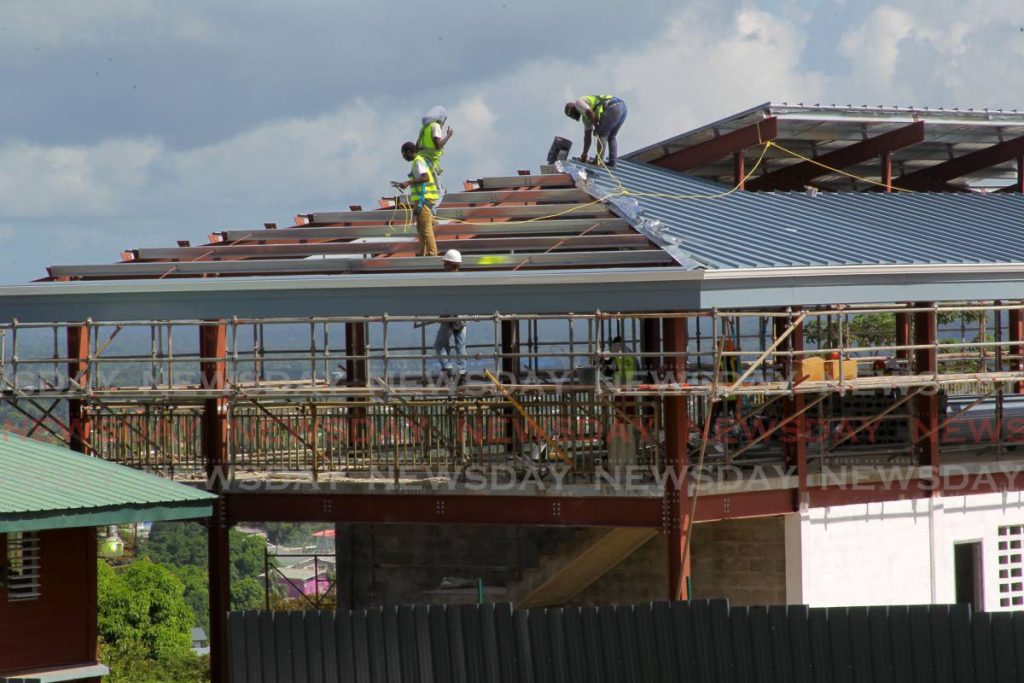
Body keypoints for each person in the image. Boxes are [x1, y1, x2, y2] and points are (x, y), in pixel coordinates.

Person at [391, 141, 439, 256]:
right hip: (422, 199)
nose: (403, 157)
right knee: (420, 227)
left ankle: (432, 253)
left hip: (424, 199)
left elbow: (425, 177)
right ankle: (421, 251)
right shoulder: (416, 162)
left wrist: (408, 182)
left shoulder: (418, 162)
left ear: (409, 152)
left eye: (404, 154)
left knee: (426, 228)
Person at [563, 95, 628, 167]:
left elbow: (589, 112)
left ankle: (598, 162)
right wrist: (585, 153)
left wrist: (596, 127)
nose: (573, 117)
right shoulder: (585, 118)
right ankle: (612, 163)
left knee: (602, 134)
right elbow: (587, 137)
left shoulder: (578, 103)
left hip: (613, 106)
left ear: (572, 110)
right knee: (611, 137)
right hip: (623, 108)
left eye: (571, 115)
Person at [434, 250, 467, 384]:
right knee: (460, 347)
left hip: (449, 317)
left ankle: (447, 368)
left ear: (451, 265)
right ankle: (462, 374)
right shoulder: (464, 278)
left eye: (446, 263)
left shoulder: (446, 279)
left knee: (439, 345)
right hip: (461, 318)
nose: (444, 266)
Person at [417, 106, 454, 177]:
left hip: (421, 161)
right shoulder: (435, 126)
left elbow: (417, 146)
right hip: (430, 162)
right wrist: (448, 135)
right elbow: (438, 145)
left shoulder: (424, 128)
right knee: (436, 187)